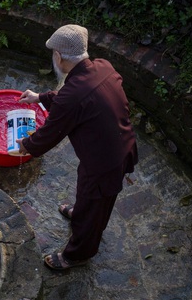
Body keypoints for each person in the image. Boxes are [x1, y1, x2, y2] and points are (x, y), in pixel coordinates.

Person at [17, 24, 138, 271]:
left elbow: (51, 132)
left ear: (59, 56)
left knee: (96, 210)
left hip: (106, 162)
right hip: (114, 146)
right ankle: (79, 212)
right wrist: (39, 97)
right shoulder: (103, 66)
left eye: (53, 54)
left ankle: (77, 254)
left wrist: (26, 146)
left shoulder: (72, 96)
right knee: (87, 193)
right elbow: (71, 98)